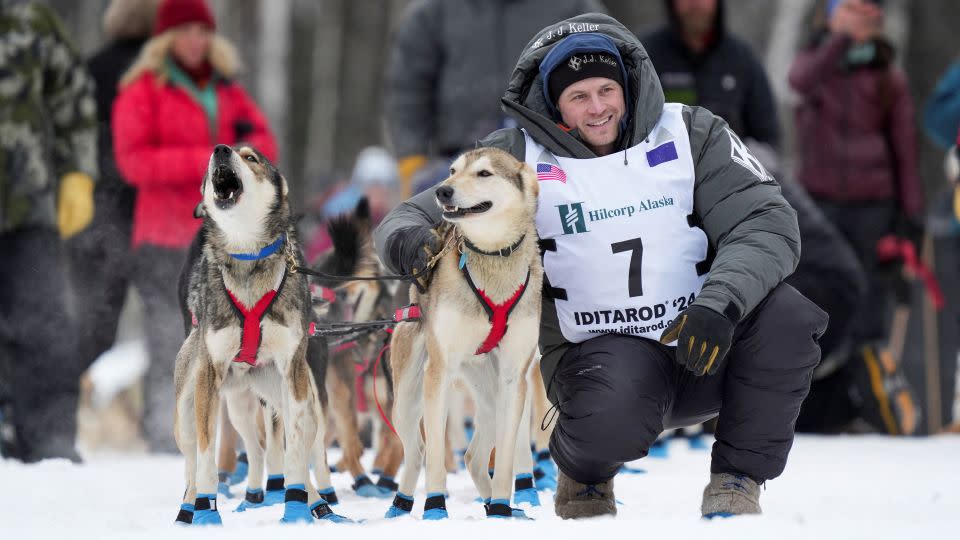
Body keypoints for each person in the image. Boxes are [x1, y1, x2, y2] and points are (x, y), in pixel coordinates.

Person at [375, 13, 828, 519]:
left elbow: (766, 220)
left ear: (628, 88)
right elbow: (413, 212)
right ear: (556, 106)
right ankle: (584, 476)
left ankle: (736, 480)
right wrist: (410, 241)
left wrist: (721, 301)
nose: (597, 108)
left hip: (703, 337)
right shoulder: (519, 156)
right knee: (612, 414)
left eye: (606, 90)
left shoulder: (691, 132)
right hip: (601, 357)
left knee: (789, 318)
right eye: (578, 96)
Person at [642, 0, 870, 433]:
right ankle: (676, 397)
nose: (696, 5)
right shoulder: (647, 55)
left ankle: (767, 387)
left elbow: (768, 137)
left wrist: (738, 170)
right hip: (665, 199)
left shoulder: (740, 57)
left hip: (737, 188)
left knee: (818, 277)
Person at [112, 0, 278, 452]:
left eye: (202, 31)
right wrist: (211, 161)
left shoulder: (227, 89)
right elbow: (133, 162)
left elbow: (263, 145)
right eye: (186, 31)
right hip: (164, 234)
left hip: (227, 238)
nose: (196, 40)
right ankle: (169, 434)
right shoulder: (142, 91)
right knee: (174, 333)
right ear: (165, 38)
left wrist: (233, 161)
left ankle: (229, 444)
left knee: (232, 338)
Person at [788, 0, 922, 347]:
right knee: (818, 295)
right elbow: (798, 81)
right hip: (818, 203)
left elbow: (905, 150)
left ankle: (866, 380)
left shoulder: (887, 75)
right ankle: (816, 383)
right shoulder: (816, 63)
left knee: (868, 299)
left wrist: (910, 215)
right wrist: (838, 41)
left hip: (873, 206)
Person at [0, 1, 98, 462]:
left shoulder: (29, 19)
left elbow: (74, 98)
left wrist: (79, 170)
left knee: (44, 322)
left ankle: (50, 438)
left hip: (28, 201)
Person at [385, 0, 606, 199]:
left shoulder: (573, 6)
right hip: (460, 159)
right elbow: (408, 90)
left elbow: (606, 65)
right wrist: (411, 160)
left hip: (556, 155)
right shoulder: (434, 11)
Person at [70, 0, 160, 421]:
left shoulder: (90, 70)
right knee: (167, 324)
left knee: (93, 325)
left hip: (100, 214)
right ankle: (166, 423)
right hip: (156, 214)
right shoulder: (164, 75)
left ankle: (50, 408)